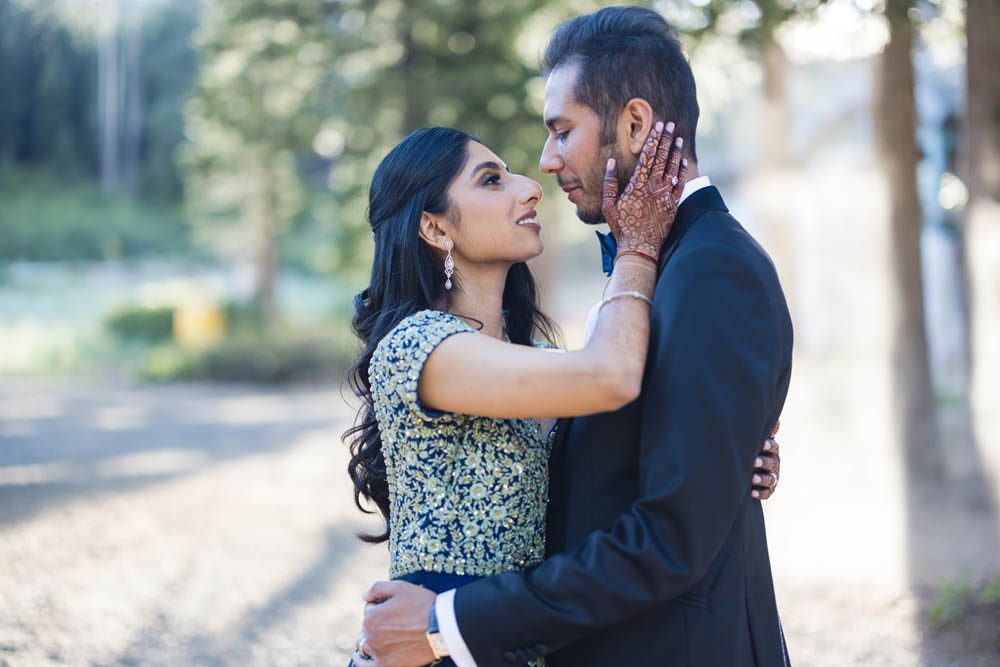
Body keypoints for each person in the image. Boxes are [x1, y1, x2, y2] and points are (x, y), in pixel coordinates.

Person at [355, 6, 793, 667]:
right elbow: (612, 402)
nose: (543, 164)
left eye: (561, 131)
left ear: (635, 124)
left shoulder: (711, 271)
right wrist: (636, 251)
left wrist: (733, 460)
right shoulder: (431, 345)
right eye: (493, 178)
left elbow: (668, 519)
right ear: (435, 229)